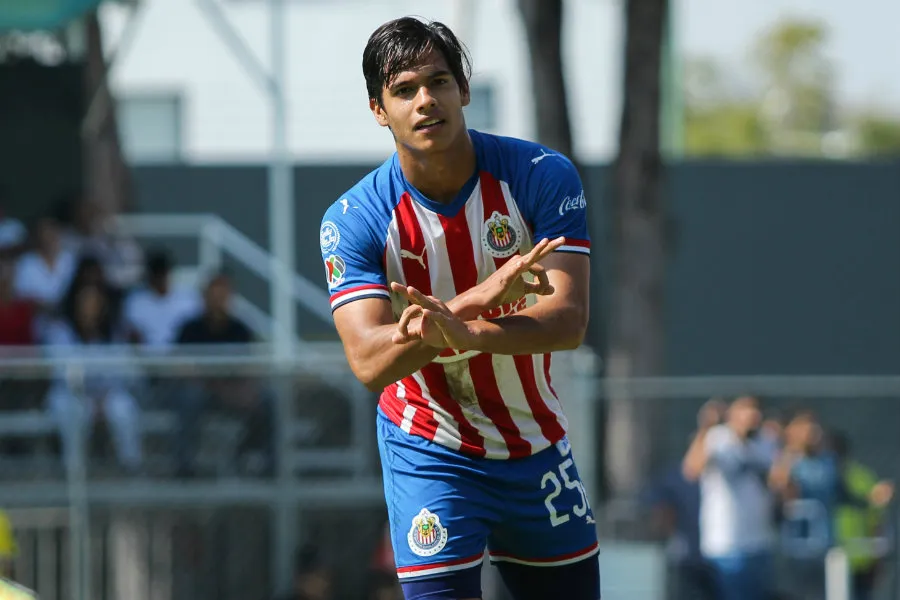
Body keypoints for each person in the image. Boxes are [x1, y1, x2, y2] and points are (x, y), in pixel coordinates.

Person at [319, 16, 597, 600]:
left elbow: (569, 323)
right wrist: (476, 302)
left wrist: (458, 328)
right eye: (403, 89)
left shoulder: (540, 176)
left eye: (439, 82)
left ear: (463, 91)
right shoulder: (354, 219)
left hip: (535, 443)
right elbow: (370, 363)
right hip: (431, 450)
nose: (426, 100)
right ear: (378, 109)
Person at [682, 395, 778, 600]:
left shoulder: (765, 442)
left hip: (760, 540)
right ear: (731, 413)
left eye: (755, 410)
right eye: (745, 409)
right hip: (725, 543)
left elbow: (778, 484)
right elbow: (691, 470)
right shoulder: (717, 438)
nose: (752, 415)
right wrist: (705, 428)